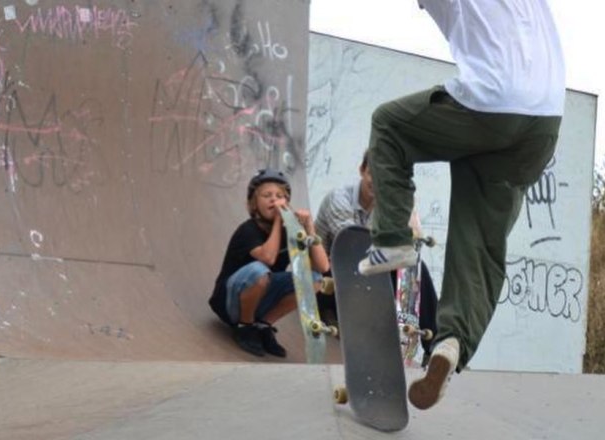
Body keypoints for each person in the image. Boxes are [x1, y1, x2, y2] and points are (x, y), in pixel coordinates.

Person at [359, 0, 565, 410]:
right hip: (545, 120)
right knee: (481, 243)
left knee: (389, 126)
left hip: (493, 102)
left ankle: (394, 241)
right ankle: (451, 343)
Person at [315, 150, 438, 358]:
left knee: (414, 264)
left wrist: (408, 212)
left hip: (365, 278)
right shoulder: (339, 199)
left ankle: (434, 345)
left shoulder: (387, 207)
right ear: (362, 171)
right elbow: (353, 245)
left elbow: (411, 244)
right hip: (329, 280)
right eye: (373, 173)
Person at [209, 169, 330, 357]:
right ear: (254, 204)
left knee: (314, 280)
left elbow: (323, 267)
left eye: (280, 196)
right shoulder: (248, 230)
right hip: (229, 303)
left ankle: (263, 325)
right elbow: (268, 258)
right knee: (259, 270)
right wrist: (278, 221)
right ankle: (245, 327)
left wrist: (309, 228)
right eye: (267, 195)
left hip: (260, 301)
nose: (274, 200)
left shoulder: (290, 233)